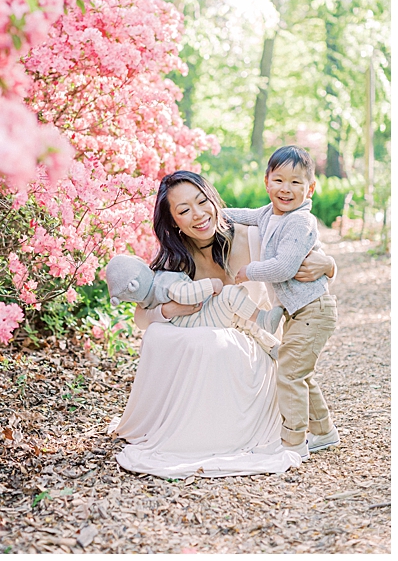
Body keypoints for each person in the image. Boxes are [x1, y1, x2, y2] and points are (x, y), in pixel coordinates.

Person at [110, 170, 336, 478]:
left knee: (217, 343)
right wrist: (174, 307)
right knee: (173, 335)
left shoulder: (255, 235)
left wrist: (331, 265)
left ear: (214, 200)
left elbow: (308, 265)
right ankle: (197, 429)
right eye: (184, 210)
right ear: (173, 221)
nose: (198, 215)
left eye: (202, 202)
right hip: (211, 354)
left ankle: (252, 429)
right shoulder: (176, 256)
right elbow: (142, 317)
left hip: (257, 341)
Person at [224, 145, 339, 460]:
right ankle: (324, 431)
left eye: (296, 182)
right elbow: (241, 215)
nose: (286, 189)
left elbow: (284, 267)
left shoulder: (299, 222)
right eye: (279, 180)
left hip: (314, 311)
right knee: (299, 372)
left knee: (289, 373)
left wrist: (248, 271)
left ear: (310, 188)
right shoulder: (268, 213)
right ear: (266, 181)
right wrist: (212, 211)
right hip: (300, 314)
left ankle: (293, 442)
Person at [104, 254, 282, 358]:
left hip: (198, 321)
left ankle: (272, 347)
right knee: (230, 295)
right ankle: (263, 319)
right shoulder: (163, 284)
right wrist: (210, 284)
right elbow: (185, 293)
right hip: (204, 314)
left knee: (241, 321)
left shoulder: (148, 297)